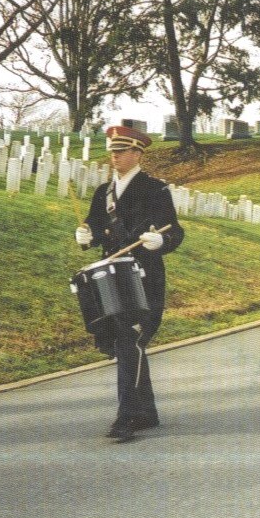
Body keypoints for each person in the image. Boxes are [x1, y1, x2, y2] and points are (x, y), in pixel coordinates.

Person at [75, 125, 185, 442]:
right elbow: (95, 228)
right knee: (126, 343)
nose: (115, 156)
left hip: (145, 277)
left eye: (121, 151)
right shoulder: (103, 194)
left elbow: (174, 231)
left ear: (137, 153)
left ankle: (127, 417)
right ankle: (146, 412)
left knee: (129, 341)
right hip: (113, 278)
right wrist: (86, 237)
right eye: (112, 151)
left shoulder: (155, 190)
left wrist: (159, 240)